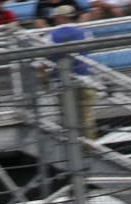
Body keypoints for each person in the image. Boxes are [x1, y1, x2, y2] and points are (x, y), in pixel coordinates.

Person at [48, 4, 96, 139]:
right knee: (87, 118)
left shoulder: (50, 35)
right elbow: (89, 50)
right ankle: (90, 148)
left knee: (67, 119)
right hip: (84, 80)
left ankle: (72, 147)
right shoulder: (85, 32)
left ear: (59, 18)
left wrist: (44, 79)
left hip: (61, 83)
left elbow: (43, 59)